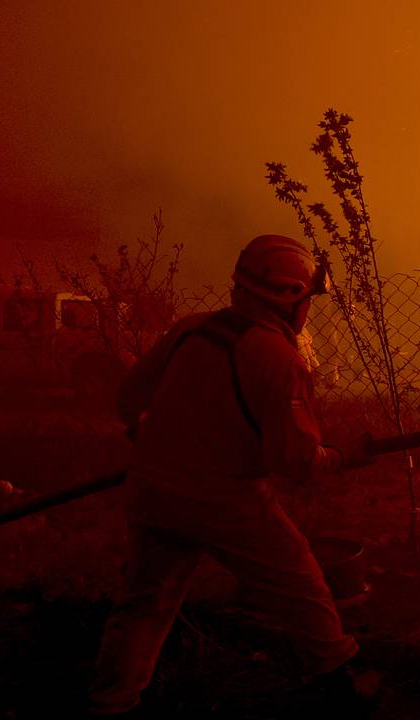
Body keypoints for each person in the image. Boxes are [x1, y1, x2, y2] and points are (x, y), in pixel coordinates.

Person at [89, 235, 370, 715]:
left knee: (143, 605)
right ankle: (340, 689)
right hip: (228, 501)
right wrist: (345, 456)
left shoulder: (191, 330)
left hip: (154, 489)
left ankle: (112, 702)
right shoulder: (278, 358)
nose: (308, 310)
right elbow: (296, 461)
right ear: (288, 297)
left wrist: (147, 435)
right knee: (303, 587)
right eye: (306, 299)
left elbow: (128, 400)